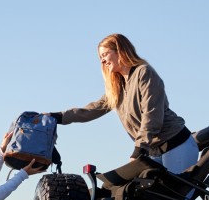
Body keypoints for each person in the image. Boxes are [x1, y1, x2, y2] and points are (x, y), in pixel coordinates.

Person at [48, 33, 197, 173]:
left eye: (105, 54)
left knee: (178, 198)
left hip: (177, 145)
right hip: (152, 151)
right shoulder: (117, 87)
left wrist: (139, 149)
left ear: (120, 51)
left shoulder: (144, 73)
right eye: (100, 57)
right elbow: (90, 110)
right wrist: (56, 117)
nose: (102, 60)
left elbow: (152, 115)